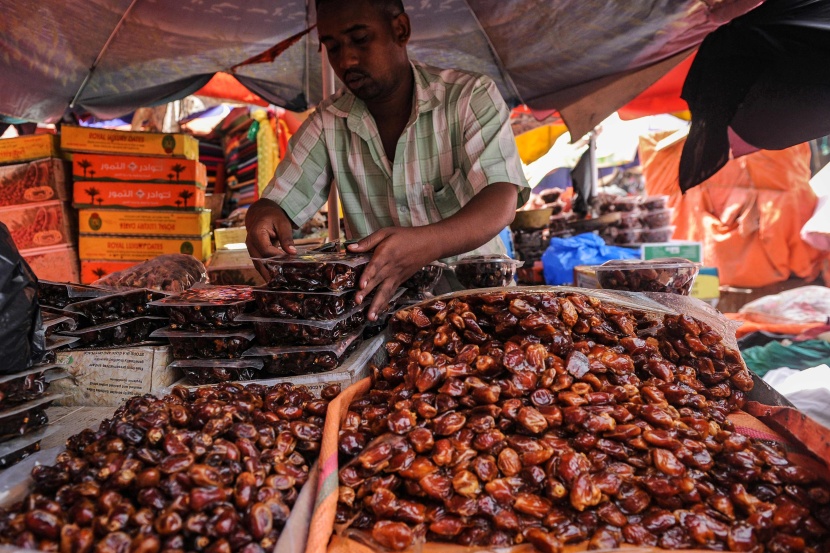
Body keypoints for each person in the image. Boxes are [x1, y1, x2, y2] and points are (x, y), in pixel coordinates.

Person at [245, 0, 529, 320]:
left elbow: (502, 199)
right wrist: (262, 215)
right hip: (384, 320)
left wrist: (428, 243)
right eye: (332, 47)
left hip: (480, 309)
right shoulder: (329, 121)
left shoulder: (470, 97)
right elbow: (277, 203)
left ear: (400, 30)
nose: (346, 59)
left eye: (360, 39)